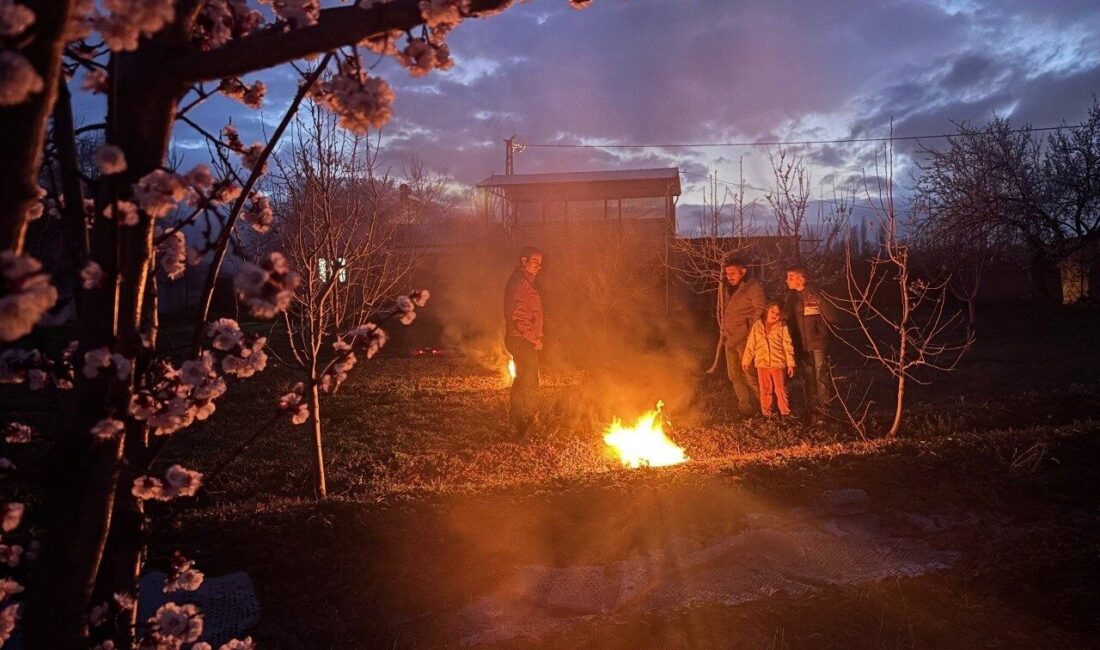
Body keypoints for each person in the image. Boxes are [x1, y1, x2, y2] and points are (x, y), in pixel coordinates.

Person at [504, 246, 544, 437]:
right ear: (524, 261)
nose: (538, 266)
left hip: (522, 339)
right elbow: (518, 315)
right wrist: (533, 338)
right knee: (528, 381)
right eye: (535, 262)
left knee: (525, 380)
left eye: (540, 264)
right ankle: (524, 423)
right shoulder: (521, 283)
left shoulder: (525, 282)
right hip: (521, 339)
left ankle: (521, 422)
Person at [721, 256, 767, 417]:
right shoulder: (728, 289)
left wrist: (748, 329)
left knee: (750, 374)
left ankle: (765, 407)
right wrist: (724, 331)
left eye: (733, 273)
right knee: (734, 375)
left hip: (745, 340)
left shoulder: (753, 287)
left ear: (743, 272)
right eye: (727, 273)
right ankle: (745, 408)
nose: (729, 276)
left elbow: (761, 309)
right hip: (730, 339)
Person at [784, 265, 833, 416]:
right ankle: (812, 408)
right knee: (807, 376)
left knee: (821, 375)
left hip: (817, 342)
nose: (787, 280)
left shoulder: (815, 294)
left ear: (801, 279)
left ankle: (825, 409)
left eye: (791, 277)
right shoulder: (791, 297)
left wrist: (821, 330)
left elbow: (832, 316)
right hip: (801, 344)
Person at [742, 302, 796, 417]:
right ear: (767, 310)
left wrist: (790, 364)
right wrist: (746, 359)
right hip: (762, 363)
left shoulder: (782, 327)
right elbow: (751, 344)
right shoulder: (757, 325)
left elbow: (788, 346)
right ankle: (768, 414)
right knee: (765, 390)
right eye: (773, 311)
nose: (775, 315)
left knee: (780, 389)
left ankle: (785, 413)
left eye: (778, 313)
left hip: (778, 363)